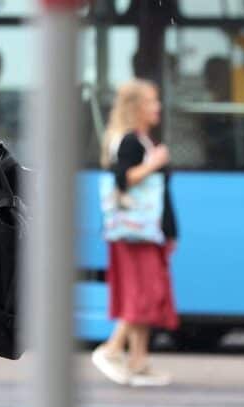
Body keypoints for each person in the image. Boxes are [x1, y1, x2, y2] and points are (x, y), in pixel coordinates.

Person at [90, 79, 178, 387]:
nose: (158, 108)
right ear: (136, 107)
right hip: (135, 233)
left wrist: (171, 231)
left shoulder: (142, 139)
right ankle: (112, 349)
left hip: (147, 232)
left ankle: (138, 360)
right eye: (152, 101)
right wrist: (154, 164)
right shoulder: (130, 142)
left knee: (149, 294)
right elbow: (123, 180)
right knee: (145, 293)